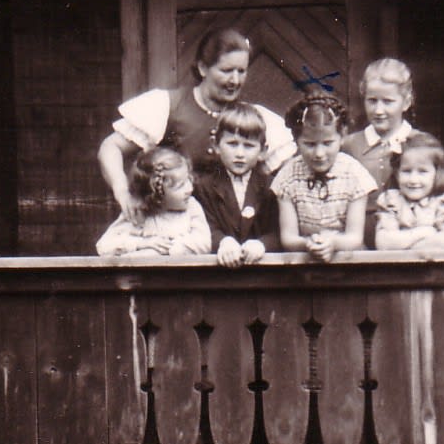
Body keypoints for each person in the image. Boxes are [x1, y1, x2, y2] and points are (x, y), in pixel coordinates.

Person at [98, 27, 295, 220]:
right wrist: (122, 191)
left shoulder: (252, 118)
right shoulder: (168, 106)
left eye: (241, 71)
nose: (235, 80)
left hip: (231, 228)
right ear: (203, 68)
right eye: (226, 70)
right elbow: (110, 147)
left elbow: (291, 171)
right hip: (173, 221)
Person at [272, 93, 377, 263]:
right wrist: (310, 244)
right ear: (297, 140)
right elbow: (289, 238)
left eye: (328, 143)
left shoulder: (355, 175)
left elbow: (354, 237)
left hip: (348, 260)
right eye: (310, 144)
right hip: (303, 261)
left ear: (342, 136)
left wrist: (332, 243)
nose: (319, 153)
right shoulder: (287, 177)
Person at [341, 58, 426, 247]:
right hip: (357, 245)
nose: (378, 110)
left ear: (406, 102)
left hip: (408, 242)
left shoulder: (422, 144)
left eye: (388, 102)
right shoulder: (348, 146)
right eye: (372, 101)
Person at [193, 102, 281, 268]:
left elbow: (277, 230)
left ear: (263, 151)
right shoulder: (203, 187)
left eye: (249, 146)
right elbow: (202, 225)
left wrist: (262, 244)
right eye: (232, 144)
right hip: (217, 271)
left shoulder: (272, 187)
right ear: (216, 145)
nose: (240, 153)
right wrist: (223, 242)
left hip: (262, 272)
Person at [95, 146, 212, 258]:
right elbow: (104, 246)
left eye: (188, 180)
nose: (190, 188)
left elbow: (203, 243)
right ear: (157, 194)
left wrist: (166, 251)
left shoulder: (192, 208)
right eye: (180, 186)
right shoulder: (138, 212)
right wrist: (140, 244)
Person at [373, 132, 444, 250]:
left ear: (437, 173)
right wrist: (424, 232)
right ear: (397, 173)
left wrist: (402, 245)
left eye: (422, 171)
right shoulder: (390, 200)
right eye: (407, 171)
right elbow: (384, 244)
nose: (413, 180)